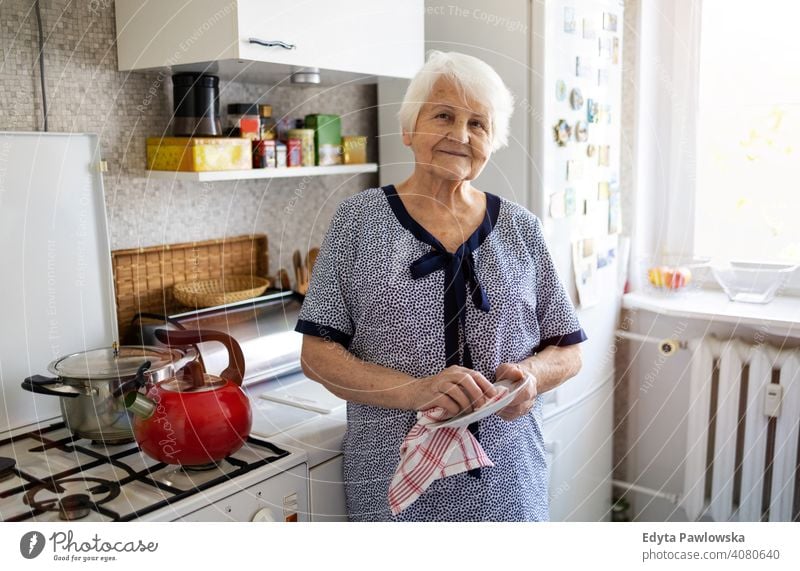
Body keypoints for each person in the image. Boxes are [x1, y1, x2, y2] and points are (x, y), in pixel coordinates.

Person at [295, 50, 586, 521]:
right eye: (444, 115)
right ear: (409, 130)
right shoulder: (358, 222)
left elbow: (568, 351)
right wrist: (418, 391)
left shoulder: (521, 229)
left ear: (493, 141)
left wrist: (531, 377)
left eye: (478, 124)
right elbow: (317, 355)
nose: (460, 135)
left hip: (507, 485)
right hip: (392, 484)